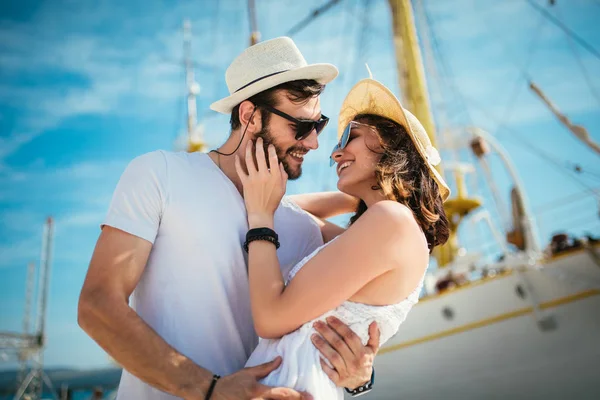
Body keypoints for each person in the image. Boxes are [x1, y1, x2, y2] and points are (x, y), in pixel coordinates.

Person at [78, 37, 378, 400]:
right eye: (301, 127)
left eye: (320, 125)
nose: (314, 143)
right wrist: (210, 390)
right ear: (250, 115)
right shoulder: (160, 175)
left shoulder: (303, 227)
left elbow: (383, 247)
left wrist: (360, 376)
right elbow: (97, 304)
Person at [236, 78, 451, 398]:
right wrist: (363, 195)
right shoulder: (382, 230)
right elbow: (285, 209)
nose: (335, 153)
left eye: (351, 136)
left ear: (392, 145)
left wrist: (260, 222)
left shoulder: (390, 222)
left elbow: (269, 320)